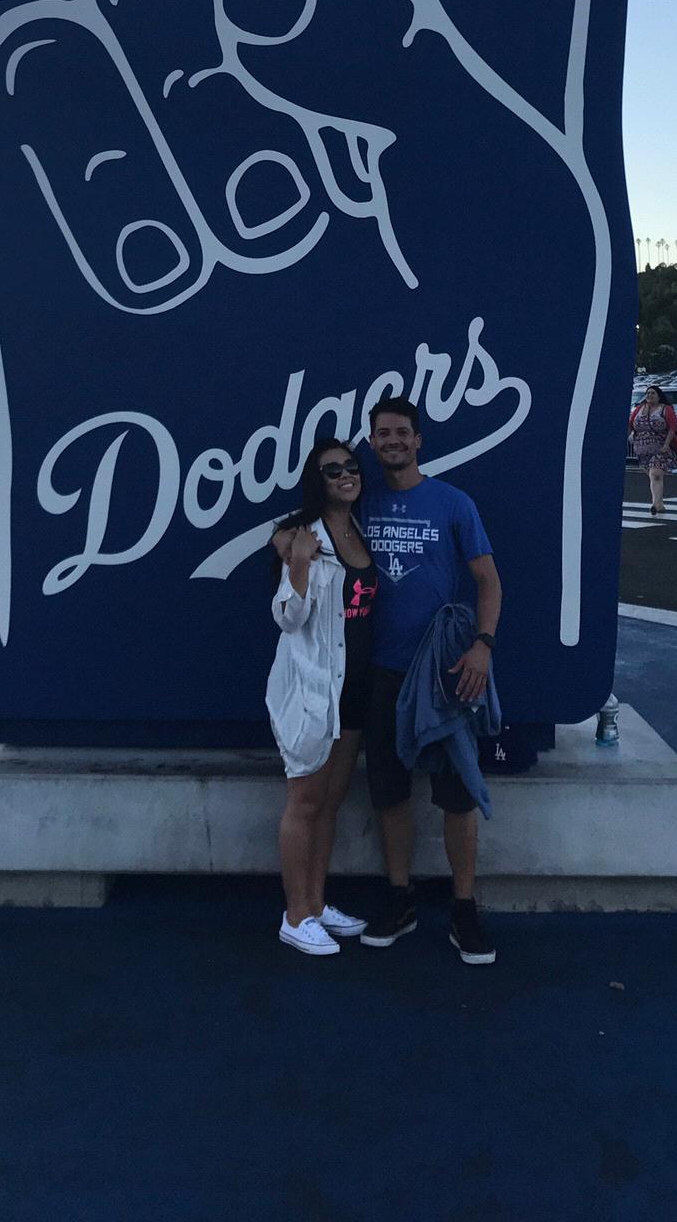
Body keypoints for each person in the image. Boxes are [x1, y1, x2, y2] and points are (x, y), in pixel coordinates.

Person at [357, 396, 502, 966]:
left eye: (401, 432)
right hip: (383, 670)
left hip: (444, 670)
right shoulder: (360, 504)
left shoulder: (453, 503)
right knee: (389, 790)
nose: (391, 441)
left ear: (419, 440)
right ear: (372, 443)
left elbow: (489, 581)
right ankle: (401, 898)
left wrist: (482, 647)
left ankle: (463, 907)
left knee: (457, 794)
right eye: (382, 433)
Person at [266, 440, 377, 956]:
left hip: (353, 686)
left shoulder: (358, 528)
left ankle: (315, 902)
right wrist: (299, 566)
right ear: (318, 483)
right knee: (304, 801)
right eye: (332, 471)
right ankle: (294, 915)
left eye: (350, 467)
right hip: (313, 687)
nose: (344, 476)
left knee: (331, 801)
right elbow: (288, 619)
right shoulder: (302, 538)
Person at [628, 383, 677, 515]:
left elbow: (672, 428)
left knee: (656, 473)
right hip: (642, 448)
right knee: (652, 476)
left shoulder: (665, 409)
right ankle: (659, 502)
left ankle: (656, 504)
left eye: (653, 393)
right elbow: (630, 425)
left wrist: (667, 445)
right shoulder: (639, 409)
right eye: (648, 393)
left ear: (658, 396)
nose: (650, 396)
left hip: (661, 448)